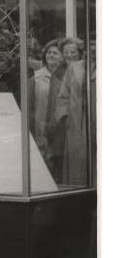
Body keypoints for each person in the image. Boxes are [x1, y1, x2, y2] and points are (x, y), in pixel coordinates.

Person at [54, 37, 90, 186]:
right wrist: (64, 118)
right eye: (66, 52)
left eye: (73, 52)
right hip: (74, 123)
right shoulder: (72, 68)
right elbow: (62, 96)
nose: (69, 55)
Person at [29, 40, 66, 172]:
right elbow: (30, 106)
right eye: (49, 52)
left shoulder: (67, 76)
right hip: (41, 127)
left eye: (55, 53)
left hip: (60, 127)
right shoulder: (36, 78)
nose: (50, 55)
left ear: (62, 57)